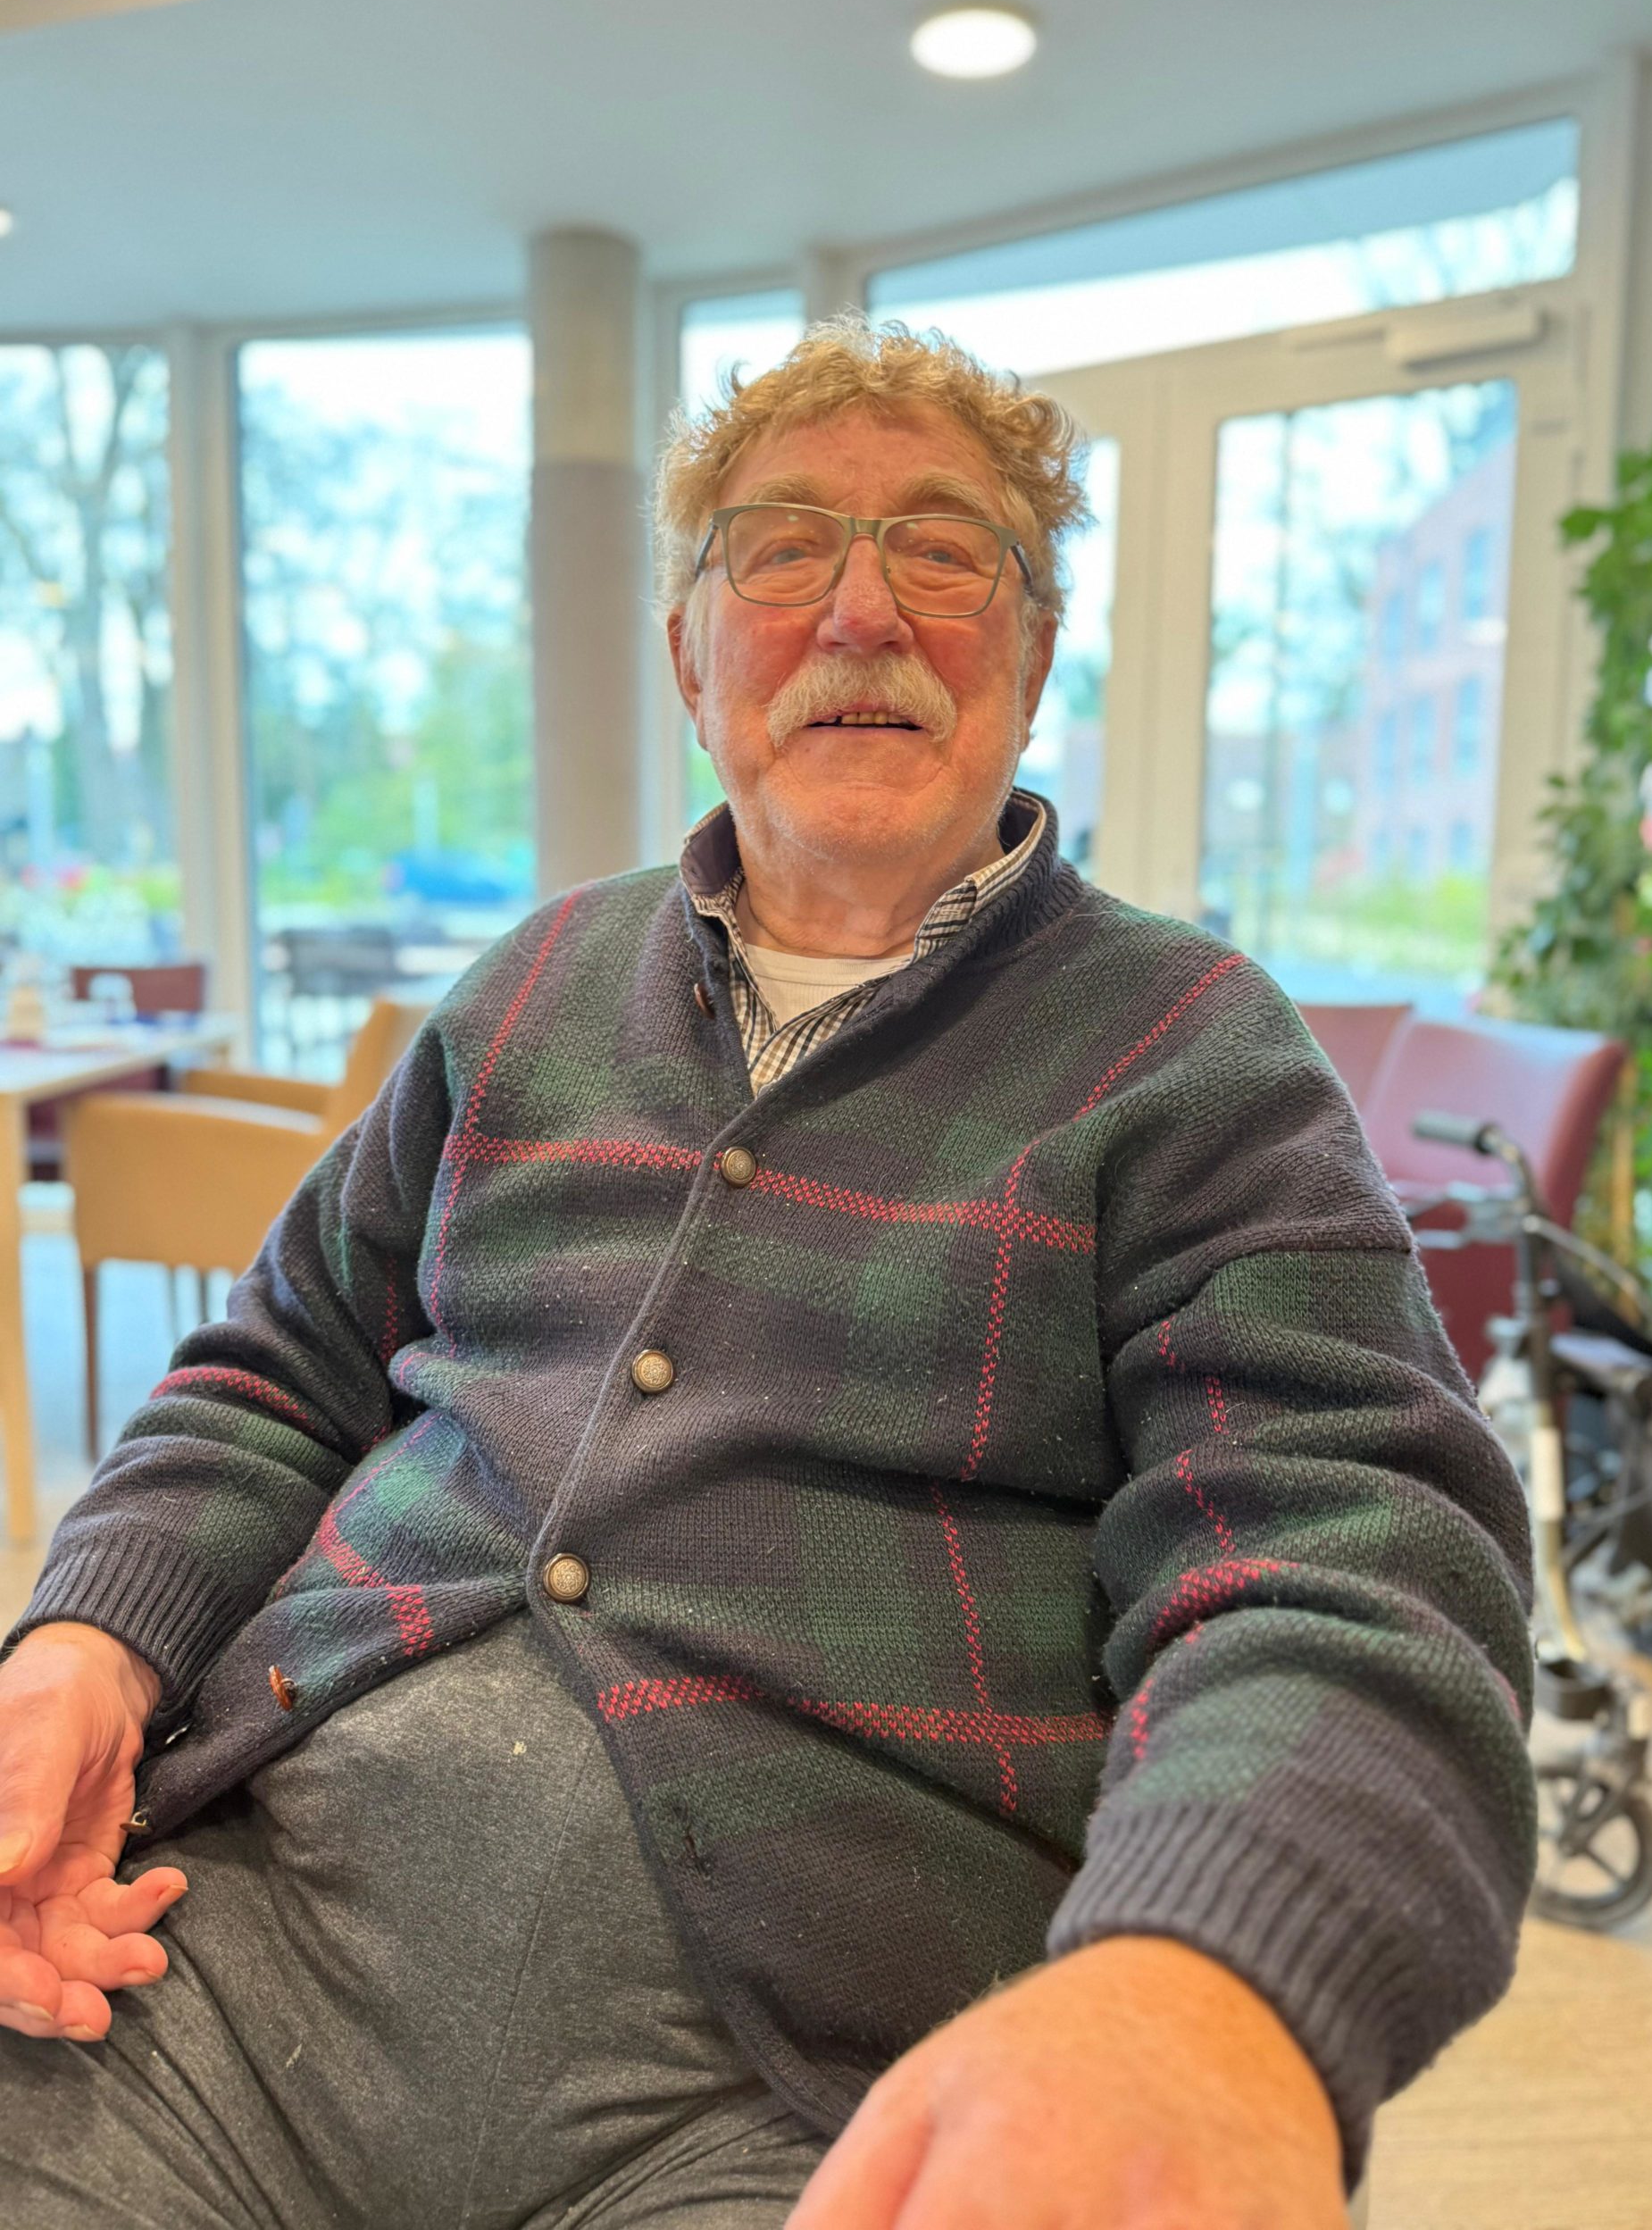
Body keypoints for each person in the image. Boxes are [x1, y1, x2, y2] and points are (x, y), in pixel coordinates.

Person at [0, 320, 1534, 2230]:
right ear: (690, 655)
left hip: (797, 2066)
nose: (863, 611)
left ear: (1034, 655)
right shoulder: (529, 987)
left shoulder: (1193, 1055)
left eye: (944, 551)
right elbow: (279, 1364)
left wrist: (1210, 1967)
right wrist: (84, 1639)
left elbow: (1355, 1558)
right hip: (211, 1965)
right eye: (783, 548)